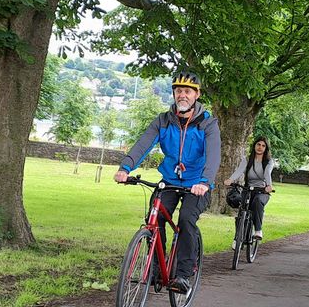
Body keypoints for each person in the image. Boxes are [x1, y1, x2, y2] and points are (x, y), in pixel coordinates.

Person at [114, 72, 220, 294]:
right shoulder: (163, 120)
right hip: (170, 181)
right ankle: (154, 268)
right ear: (174, 93)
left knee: (186, 219)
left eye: (187, 91)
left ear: (197, 95)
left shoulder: (208, 124)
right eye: (178, 91)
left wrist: (205, 181)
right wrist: (125, 167)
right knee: (155, 216)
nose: (182, 95)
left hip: (197, 184)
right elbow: (142, 145)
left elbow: (213, 157)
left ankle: (183, 274)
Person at [225, 136, 275, 239]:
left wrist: (269, 185)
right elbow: (239, 171)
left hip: (262, 191)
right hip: (248, 190)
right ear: (254, 146)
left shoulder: (269, 161)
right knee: (242, 211)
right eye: (258, 144)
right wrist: (230, 179)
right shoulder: (248, 159)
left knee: (257, 202)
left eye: (263, 146)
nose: (260, 147)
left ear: (266, 148)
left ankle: (258, 230)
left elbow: (267, 173)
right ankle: (237, 238)